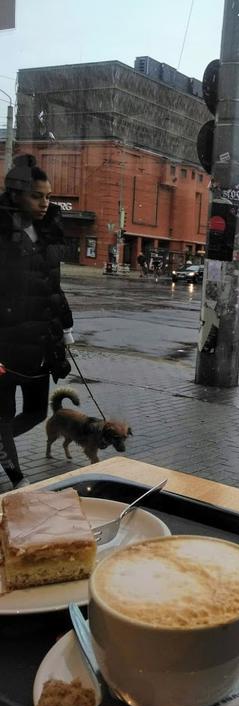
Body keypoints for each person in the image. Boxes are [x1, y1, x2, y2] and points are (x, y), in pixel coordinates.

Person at [0, 155, 74, 489]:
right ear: (16, 195)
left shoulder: (48, 231)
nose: (45, 203)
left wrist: (65, 328)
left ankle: (1, 444)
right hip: (3, 344)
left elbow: (52, 286)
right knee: (1, 416)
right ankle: (17, 478)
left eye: (48, 196)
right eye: (37, 196)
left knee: (35, 413)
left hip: (38, 345)